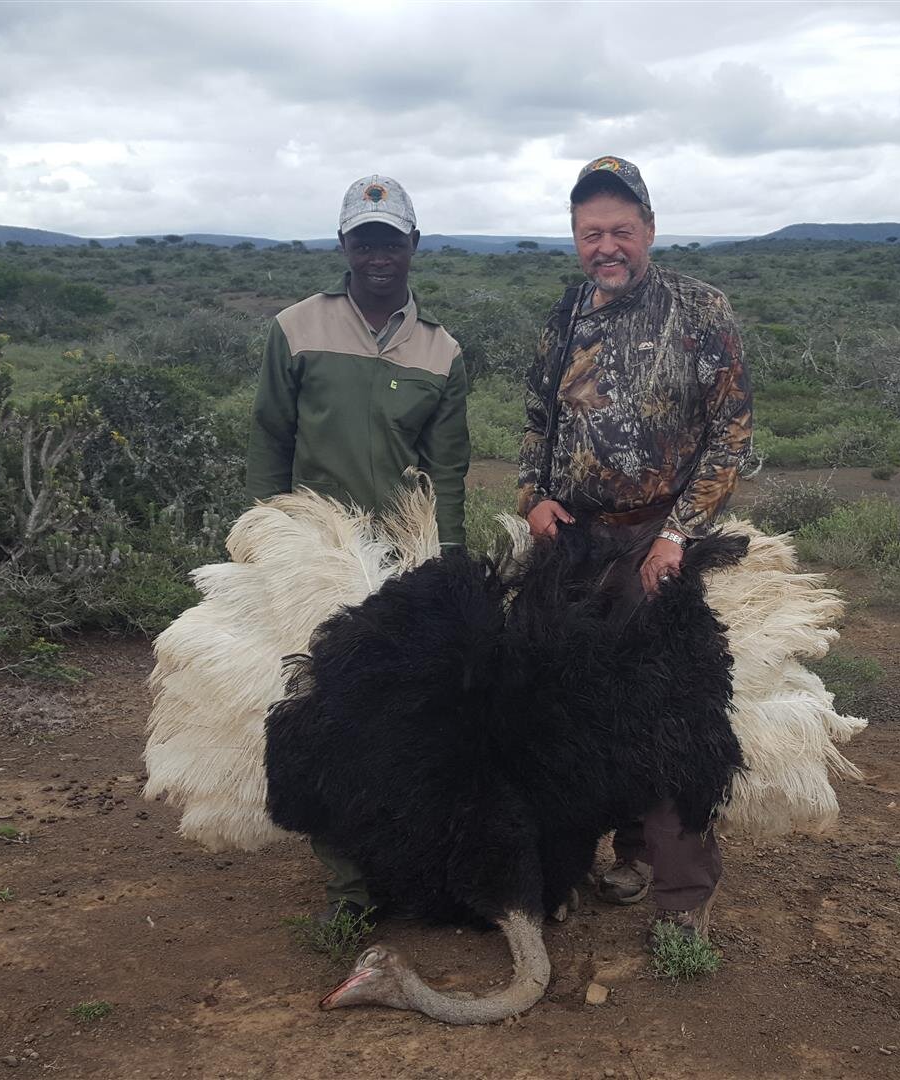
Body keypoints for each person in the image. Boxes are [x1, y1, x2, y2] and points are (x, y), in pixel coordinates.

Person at [514, 155, 752, 942]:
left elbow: (731, 435)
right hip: (574, 546)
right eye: (591, 233)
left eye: (621, 229)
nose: (606, 245)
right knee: (580, 708)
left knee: (671, 720)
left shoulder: (700, 309)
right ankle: (620, 855)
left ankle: (682, 902)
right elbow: (536, 426)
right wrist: (533, 496)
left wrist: (677, 536)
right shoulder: (564, 316)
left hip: (661, 545)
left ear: (648, 229)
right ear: (575, 238)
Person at [246, 174, 470, 922]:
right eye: (364, 239)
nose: (378, 254)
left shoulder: (442, 352)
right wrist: (265, 542)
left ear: (413, 245)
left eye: (391, 240)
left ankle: (402, 864)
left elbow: (450, 471)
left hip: (403, 564)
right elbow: (271, 441)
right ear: (344, 245)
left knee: (405, 719)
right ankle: (347, 889)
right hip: (314, 557)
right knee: (321, 714)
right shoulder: (296, 328)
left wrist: (451, 564)